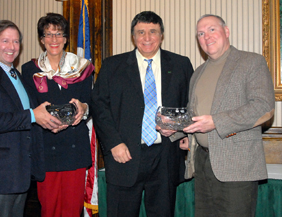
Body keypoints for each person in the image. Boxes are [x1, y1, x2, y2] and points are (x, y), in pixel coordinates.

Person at [91, 11, 193, 217]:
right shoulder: (112, 66)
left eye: (153, 32)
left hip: (166, 155)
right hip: (124, 155)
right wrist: (113, 144)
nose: (147, 38)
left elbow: (191, 106)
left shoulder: (181, 64)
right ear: (133, 36)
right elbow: (99, 107)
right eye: (141, 32)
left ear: (161, 35)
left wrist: (180, 131)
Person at [0, 20, 62, 217]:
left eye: (16, 42)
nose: (12, 47)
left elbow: (26, 118)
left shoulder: (15, 74)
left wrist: (46, 121)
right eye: (5, 41)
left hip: (20, 173)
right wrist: (33, 115)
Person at [182, 14, 275, 217]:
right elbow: (193, 113)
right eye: (200, 33)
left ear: (226, 32)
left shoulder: (251, 62)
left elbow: (263, 107)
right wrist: (177, 130)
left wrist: (216, 122)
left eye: (212, 30)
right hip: (203, 163)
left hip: (237, 165)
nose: (206, 36)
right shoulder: (197, 73)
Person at [21, 13, 94, 217]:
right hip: (45, 148)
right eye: (48, 34)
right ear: (41, 39)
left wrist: (83, 108)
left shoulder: (82, 68)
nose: (54, 40)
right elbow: (30, 107)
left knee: (72, 209)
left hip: (74, 149)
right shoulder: (29, 70)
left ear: (66, 38)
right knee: (49, 209)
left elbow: (92, 103)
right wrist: (45, 120)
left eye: (59, 34)